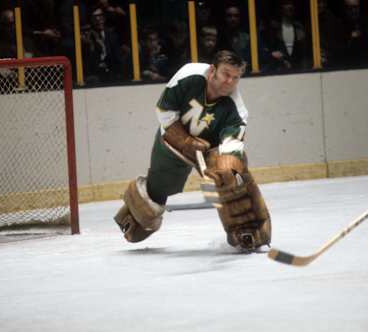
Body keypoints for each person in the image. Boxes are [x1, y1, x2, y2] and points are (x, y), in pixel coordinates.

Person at [113, 50, 272, 251]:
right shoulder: (189, 75)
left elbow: (232, 147)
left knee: (231, 174)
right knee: (158, 189)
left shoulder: (237, 110)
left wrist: (228, 168)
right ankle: (133, 221)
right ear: (212, 70)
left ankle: (248, 230)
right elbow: (165, 111)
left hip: (210, 149)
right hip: (174, 141)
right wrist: (186, 141)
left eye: (236, 77)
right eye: (226, 74)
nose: (229, 81)